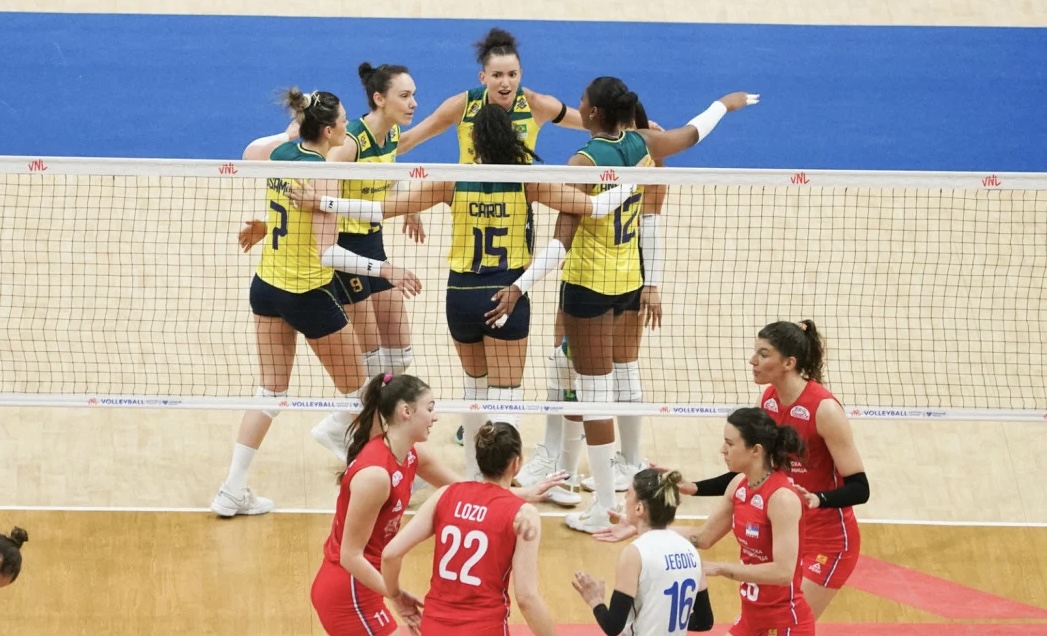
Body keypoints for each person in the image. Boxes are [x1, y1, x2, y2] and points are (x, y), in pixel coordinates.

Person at [292, 103, 634, 492]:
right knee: (507, 400)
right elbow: (593, 206)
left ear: (473, 139)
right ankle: (501, 488)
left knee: (475, 393)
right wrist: (631, 181)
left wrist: (324, 202)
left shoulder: (452, 180)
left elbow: (379, 210)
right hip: (506, 294)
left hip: (461, 299)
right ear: (513, 137)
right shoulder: (529, 181)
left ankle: (474, 479)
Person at [542, 76, 757, 533]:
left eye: (582, 103)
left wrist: (522, 284)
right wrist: (723, 102)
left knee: (594, 394)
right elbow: (693, 133)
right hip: (627, 281)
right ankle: (610, 474)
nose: (578, 106)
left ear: (594, 113)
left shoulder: (583, 160)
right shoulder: (644, 144)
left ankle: (604, 504)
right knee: (604, 382)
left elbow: (564, 230)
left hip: (588, 286)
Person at [210, 88, 419, 518]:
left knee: (269, 390)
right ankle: (381, 486)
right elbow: (327, 253)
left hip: (266, 287)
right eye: (343, 120)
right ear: (328, 130)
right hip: (308, 294)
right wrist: (386, 270)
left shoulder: (281, 154)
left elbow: (255, 153)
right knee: (364, 395)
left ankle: (232, 489)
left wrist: (268, 224)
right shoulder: (324, 174)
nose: (349, 125)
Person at [241, 64, 424, 461]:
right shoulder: (342, 150)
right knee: (368, 371)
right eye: (406, 95)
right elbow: (320, 212)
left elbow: (384, 167)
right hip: (339, 255)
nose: (413, 102)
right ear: (380, 99)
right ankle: (366, 452)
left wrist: (406, 202)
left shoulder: (386, 134)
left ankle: (343, 432)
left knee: (397, 355)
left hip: (358, 247)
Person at [690, 320, 870, 618]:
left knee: (784, 624)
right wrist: (695, 487)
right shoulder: (769, 400)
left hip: (828, 543)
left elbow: (860, 488)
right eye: (755, 352)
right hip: (786, 536)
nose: (753, 360)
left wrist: (817, 499)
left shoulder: (824, 410)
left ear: (789, 362)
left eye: (763, 354)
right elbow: (754, 467)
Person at [381, 421, 557, 636]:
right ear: (516, 464)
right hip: (484, 628)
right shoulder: (523, 515)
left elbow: (390, 554)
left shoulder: (445, 495)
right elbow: (526, 597)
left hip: (434, 627)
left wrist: (396, 596)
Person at [310, 373, 435, 636]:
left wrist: (521, 496)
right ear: (406, 411)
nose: (435, 417)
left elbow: (465, 489)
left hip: (367, 585)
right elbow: (350, 555)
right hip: (349, 593)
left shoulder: (411, 455)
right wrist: (396, 594)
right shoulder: (376, 476)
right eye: (430, 408)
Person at [700, 408, 815, 635]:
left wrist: (721, 568)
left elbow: (783, 573)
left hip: (784, 625)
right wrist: (643, 527)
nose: (723, 450)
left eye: (730, 444)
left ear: (756, 450)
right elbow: (702, 537)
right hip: (752, 620)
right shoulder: (739, 485)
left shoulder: (781, 499)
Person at [572, 469, 714, 635]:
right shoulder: (691, 550)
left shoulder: (634, 553)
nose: (625, 498)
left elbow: (613, 626)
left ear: (639, 508)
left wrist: (595, 601)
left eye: (629, 493)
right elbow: (704, 621)